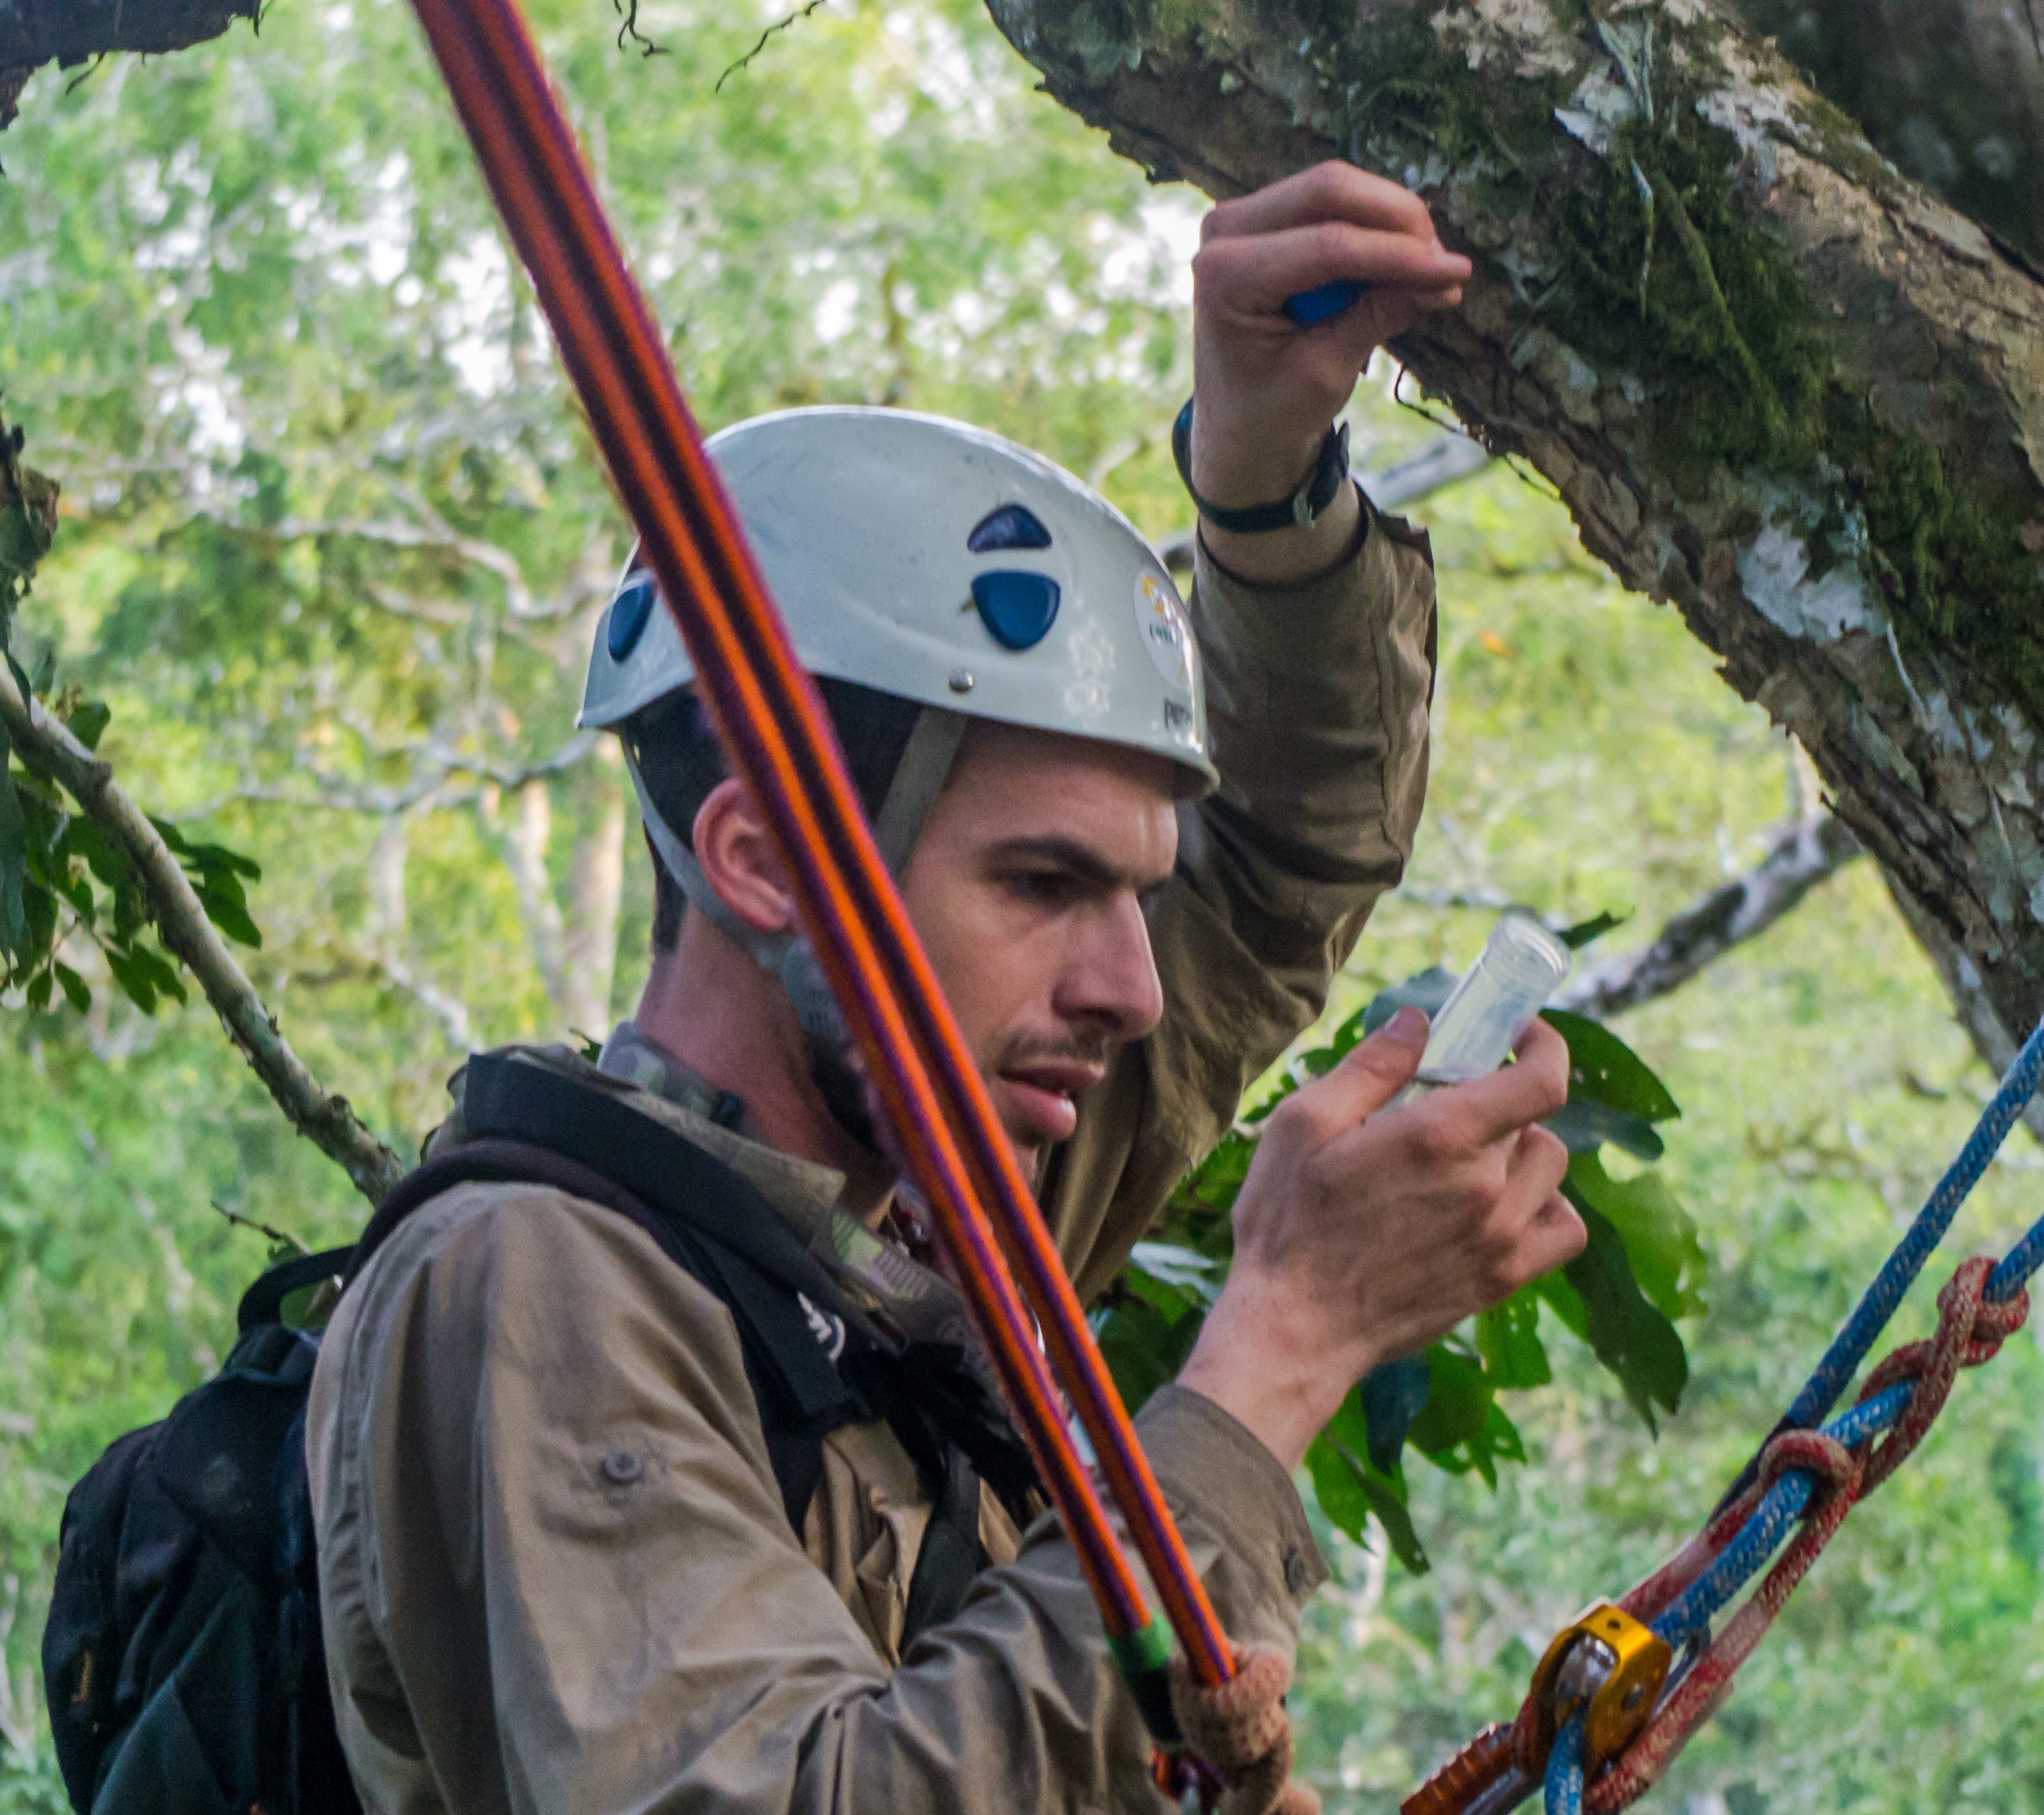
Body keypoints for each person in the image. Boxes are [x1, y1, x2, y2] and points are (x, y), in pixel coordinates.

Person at [306, 163, 1585, 1814]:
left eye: (1131, 887)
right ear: (765, 861)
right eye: (1043, 883)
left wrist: (1263, 488)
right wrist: (1280, 1347)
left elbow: (1270, 861)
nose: (1130, 984)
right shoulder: (530, 1284)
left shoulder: (936, 1216)